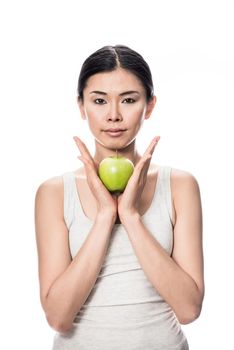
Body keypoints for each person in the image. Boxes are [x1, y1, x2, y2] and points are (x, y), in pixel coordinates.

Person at [34, 45, 204, 350]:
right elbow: (58, 317)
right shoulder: (54, 193)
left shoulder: (180, 186)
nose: (113, 115)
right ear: (81, 106)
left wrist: (130, 216)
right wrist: (104, 217)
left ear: (149, 106)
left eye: (128, 100)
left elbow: (189, 309)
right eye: (99, 101)